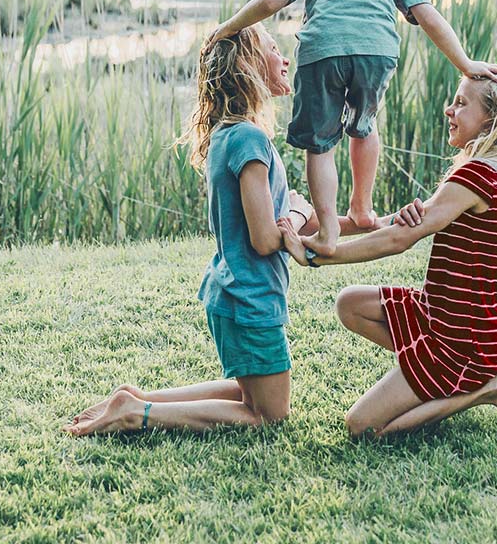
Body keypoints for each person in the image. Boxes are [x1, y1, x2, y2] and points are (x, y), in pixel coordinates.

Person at [206, 0, 497, 258]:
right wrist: (464, 63)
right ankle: (362, 208)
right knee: (364, 127)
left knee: (321, 144)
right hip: (377, 50)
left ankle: (329, 229)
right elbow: (428, 15)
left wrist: (228, 27)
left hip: (322, 51)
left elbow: (270, 2)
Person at [64, 25, 315, 435]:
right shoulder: (251, 141)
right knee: (270, 413)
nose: (285, 58)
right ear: (249, 66)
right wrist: (299, 216)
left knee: (248, 394)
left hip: (232, 291)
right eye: (274, 49)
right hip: (251, 297)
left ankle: (137, 399)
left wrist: (360, 221)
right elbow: (266, 239)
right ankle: (138, 415)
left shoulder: (228, 135)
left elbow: (279, 214)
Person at [280, 68, 497, 437]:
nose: (449, 110)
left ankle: (490, 387)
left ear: (492, 122)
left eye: (462, 104)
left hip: (465, 342)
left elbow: (397, 241)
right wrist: (321, 228)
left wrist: (317, 256)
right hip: (443, 318)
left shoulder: (477, 177)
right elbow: (393, 227)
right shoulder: (482, 174)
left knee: (363, 427)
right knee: (350, 304)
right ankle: (430, 372)